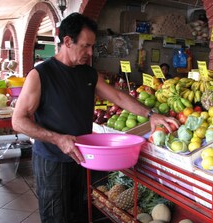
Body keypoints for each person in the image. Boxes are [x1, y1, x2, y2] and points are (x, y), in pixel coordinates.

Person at [11, 12, 179, 223]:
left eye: (92, 46)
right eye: (85, 46)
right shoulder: (41, 75)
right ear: (67, 41)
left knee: (81, 213)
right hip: (52, 160)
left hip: (83, 157)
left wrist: (151, 115)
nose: (90, 53)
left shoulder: (87, 73)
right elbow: (18, 121)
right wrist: (58, 138)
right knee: (56, 217)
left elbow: (117, 96)